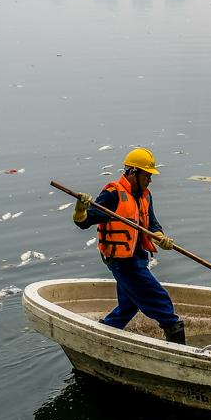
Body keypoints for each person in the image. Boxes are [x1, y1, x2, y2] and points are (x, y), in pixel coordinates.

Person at [72, 147, 186, 344]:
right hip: (122, 262)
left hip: (138, 258)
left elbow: (152, 224)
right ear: (133, 172)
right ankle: (180, 351)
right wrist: (81, 207)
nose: (150, 180)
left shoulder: (145, 195)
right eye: (147, 175)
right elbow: (83, 222)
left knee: (128, 306)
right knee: (161, 302)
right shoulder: (112, 194)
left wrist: (161, 238)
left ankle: (102, 335)